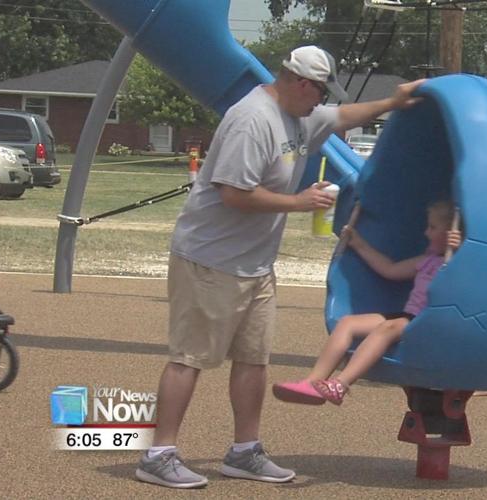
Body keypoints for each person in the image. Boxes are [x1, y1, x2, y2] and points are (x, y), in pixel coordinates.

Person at [135, 45, 426, 489]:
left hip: (255, 265)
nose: (321, 101)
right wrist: (299, 202)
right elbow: (233, 193)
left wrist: (393, 101)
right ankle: (158, 455)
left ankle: (244, 451)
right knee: (188, 359)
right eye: (319, 92)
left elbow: (342, 116)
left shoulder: (300, 115)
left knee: (254, 360)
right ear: (301, 83)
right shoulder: (253, 120)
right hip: (210, 260)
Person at [273, 200, 461, 406]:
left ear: (451, 233)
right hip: (410, 317)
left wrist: (461, 250)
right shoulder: (426, 260)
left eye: (432, 227)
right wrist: (358, 243)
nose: (426, 232)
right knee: (348, 323)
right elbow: (389, 269)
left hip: (431, 321)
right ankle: (313, 382)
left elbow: (471, 281)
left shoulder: (458, 262)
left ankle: (340, 384)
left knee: (388, 327)